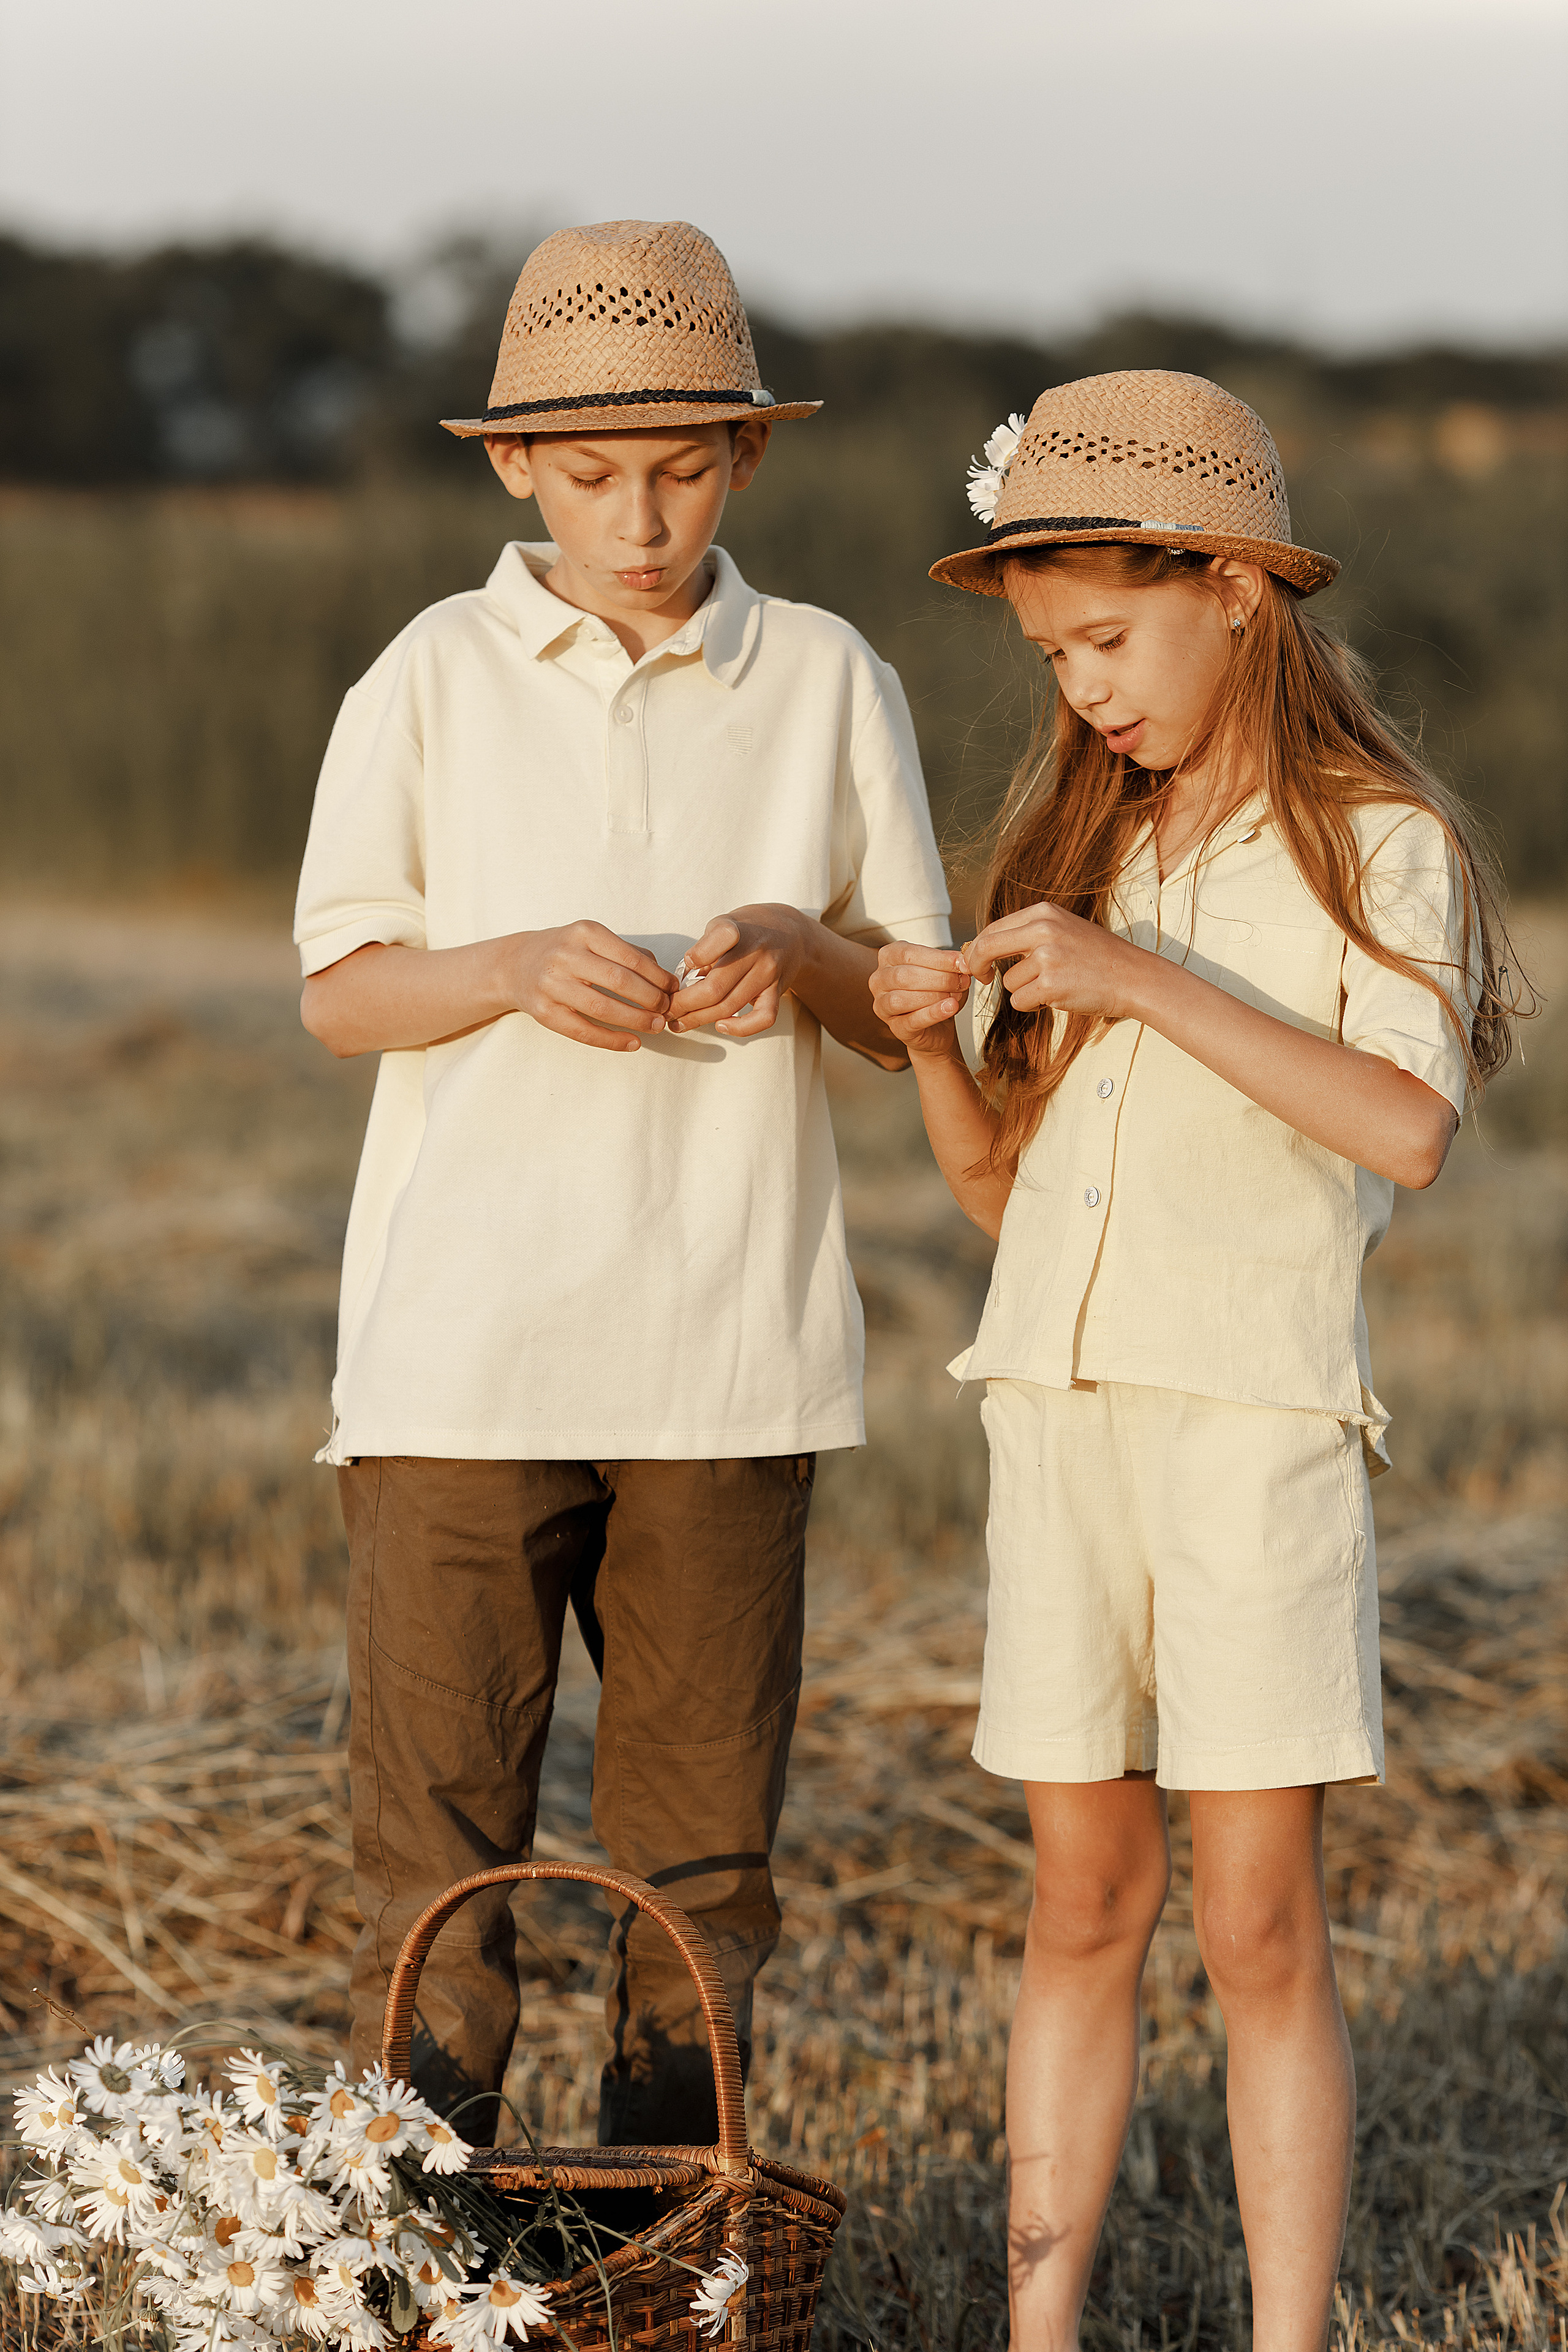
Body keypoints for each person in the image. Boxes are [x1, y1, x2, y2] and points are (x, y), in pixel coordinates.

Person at [869, 371, 1520, 2351]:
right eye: (1053, 657)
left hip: (1252, 1425)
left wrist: (1136, 978)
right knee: (1079, 1903)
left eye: (1106, 639)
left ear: (1234, 586)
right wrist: (928, 1043)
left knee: (1255, 1923)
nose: (1081, 690)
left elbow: (1405, 1128)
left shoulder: (1378, 847)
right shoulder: (1093, 844)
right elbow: (1003, 1194)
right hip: (1058, 1421)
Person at [293, 218, 950, 2147]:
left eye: (679, 470)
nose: (640, 521)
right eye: (591, 476)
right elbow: (339, 993)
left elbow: (907, 1012)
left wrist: (799, 952)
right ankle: (423, 2248)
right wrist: (505, 967)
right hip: (458, 1364)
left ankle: (677, 2256)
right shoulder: (428, 675)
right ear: (514, 464)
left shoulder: (828, 679)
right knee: (432, 1872)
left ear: (747, 453)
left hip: (731, 1362)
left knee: (703, 1879)